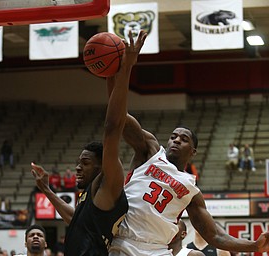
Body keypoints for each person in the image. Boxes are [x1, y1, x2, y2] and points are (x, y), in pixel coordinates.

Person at [109, 31, 269, 256]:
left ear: (193, 151)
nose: (176, 140)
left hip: (157, 250)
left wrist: (254, 246)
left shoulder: (191, 190)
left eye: (183, 139)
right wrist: (120, 71)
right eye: (174, 136)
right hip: (123, 242)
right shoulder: (150, 150)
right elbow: (119, 118)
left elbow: (215, 235)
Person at [30, 30, 147, 255]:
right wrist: (46, 188)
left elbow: (113, 128)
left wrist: (126, 69)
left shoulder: (109, 183)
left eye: (85, 162)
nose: (77, 167)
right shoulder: (92, 196)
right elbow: (73, 219)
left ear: (103, 165)